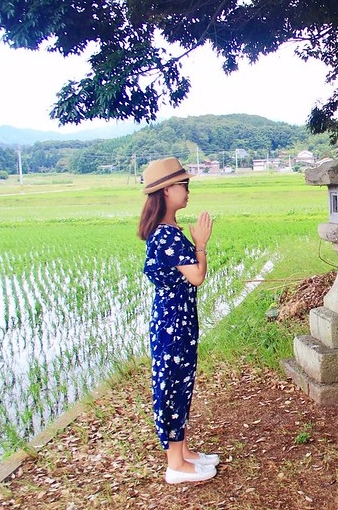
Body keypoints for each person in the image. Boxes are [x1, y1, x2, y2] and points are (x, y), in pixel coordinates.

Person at [137, 157, 218, 484]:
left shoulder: (168, 230)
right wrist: (201, 244)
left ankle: (182, 453)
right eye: (183, 185)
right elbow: (197, 276)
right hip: (174, 323)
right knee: (172, 385)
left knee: (180, 383)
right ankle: (175, 465)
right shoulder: (167, 236)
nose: (187, 191)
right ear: (167, 190)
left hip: (176, 320)